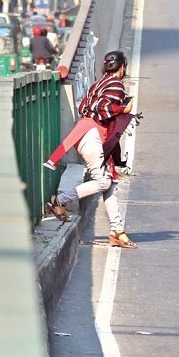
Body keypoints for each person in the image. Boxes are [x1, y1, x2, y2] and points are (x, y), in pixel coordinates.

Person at [45, 51, 138, 249]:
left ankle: (117, 230)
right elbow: (103, 107)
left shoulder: (99, 83)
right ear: (122, 68)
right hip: (92, 136)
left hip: (87, 134)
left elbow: (86, 106)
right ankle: (59, 200)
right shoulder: (116, 85)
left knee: (110, 182)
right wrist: (123, 109)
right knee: (103, 182)